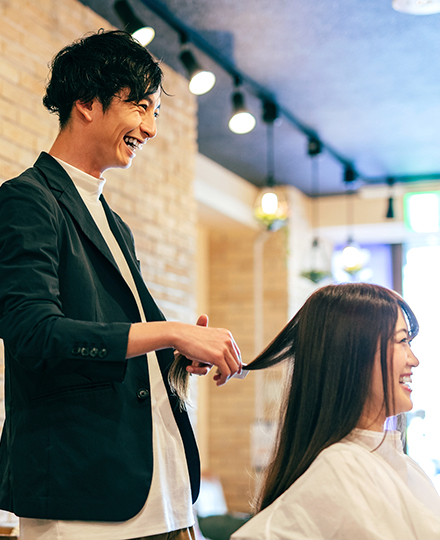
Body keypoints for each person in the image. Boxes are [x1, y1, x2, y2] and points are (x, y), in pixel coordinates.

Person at [0, 30, 241, 540]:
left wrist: (178, 353)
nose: (150, 129)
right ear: (86, 102)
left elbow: (124, 334)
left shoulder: (112, 220)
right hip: (83, 495)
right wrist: (171, 333)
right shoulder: (26, 200)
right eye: (141, 107)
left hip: (161, 491)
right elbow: (33, 333)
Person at [232, 283, 440, 540]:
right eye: (402, 341)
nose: (413, 360)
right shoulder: (342, 467)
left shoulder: (402, 468)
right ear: (354, 354)